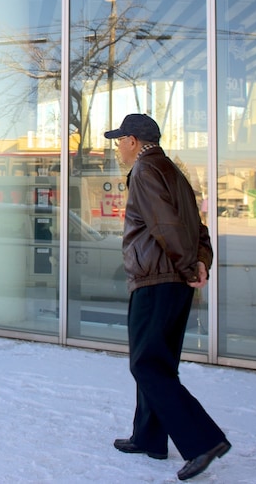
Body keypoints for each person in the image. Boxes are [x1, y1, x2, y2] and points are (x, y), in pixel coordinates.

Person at [104, 114, 230, 481]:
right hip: (173, 277)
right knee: (158, 361)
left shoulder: (145, 170)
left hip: (156, 278)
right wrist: (200, 261)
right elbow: (197, 225)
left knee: (146, 364)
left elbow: (164, 225)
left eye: (118, 140)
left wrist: (191, 265)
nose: (117, 148)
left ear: (132, 141)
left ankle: (202, 440)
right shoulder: (173, 171)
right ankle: (150, 438)